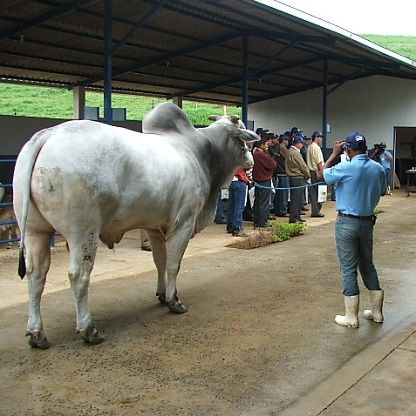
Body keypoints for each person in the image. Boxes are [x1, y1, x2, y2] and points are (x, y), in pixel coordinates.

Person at [318, 132, 387, 329]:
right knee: (367, 265)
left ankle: (351, 316)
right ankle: (377, 312)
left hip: (347, 222)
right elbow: (382, 190)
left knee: (348, 268)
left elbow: (321, 174)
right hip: (367, 222)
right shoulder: (378, 168)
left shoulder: (345, 167)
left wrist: (333, 154)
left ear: (347, 149)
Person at [252, 136, 277, 228]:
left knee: (258, 201)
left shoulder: (256, 154)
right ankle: (262, 223)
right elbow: (273, 165)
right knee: (263, 203)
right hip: (263, 180)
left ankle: (257, 221)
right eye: (266, 144)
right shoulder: (262, 155)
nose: (267, 146)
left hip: (258, 180)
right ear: (261, 145)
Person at [285, 135, 310, 223]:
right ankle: (294, 217)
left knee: (297, 198)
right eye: (301, 143)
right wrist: (308, 174)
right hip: (297, 176)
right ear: (298, 143)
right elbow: (302, 165)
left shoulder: (289, 151)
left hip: (293, 176)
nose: (302, 145)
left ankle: (296, 215)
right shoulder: (295, 153)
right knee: (296, 199)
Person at [227, 168, 250, 236]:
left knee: (231, 205)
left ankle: (230, 226)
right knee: (239, 206)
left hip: (231, 180)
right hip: (240, 179)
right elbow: (248, 165)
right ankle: (236, 228)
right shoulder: (241, 157)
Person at [306, 131, 325, 217]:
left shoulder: (310, 147)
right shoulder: (316, 148)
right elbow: (319, 162)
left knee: (313, 192)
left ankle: (315, 210)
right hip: (316, 171)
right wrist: (322, 172)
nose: (321, 139)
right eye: (320, 137)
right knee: (320, 192)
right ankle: (316, 210)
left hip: (311, 170)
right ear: (316, 137)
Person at [274, 134, 290, 217]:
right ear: (284, 140)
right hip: (282, 172)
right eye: (287, 140)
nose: (288, 142)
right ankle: (282, 210)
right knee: (283, 194)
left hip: (279, 172)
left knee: (279, 193)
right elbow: (289, 158)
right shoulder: (282, 147)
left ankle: (279, 210)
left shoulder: (277, 147)